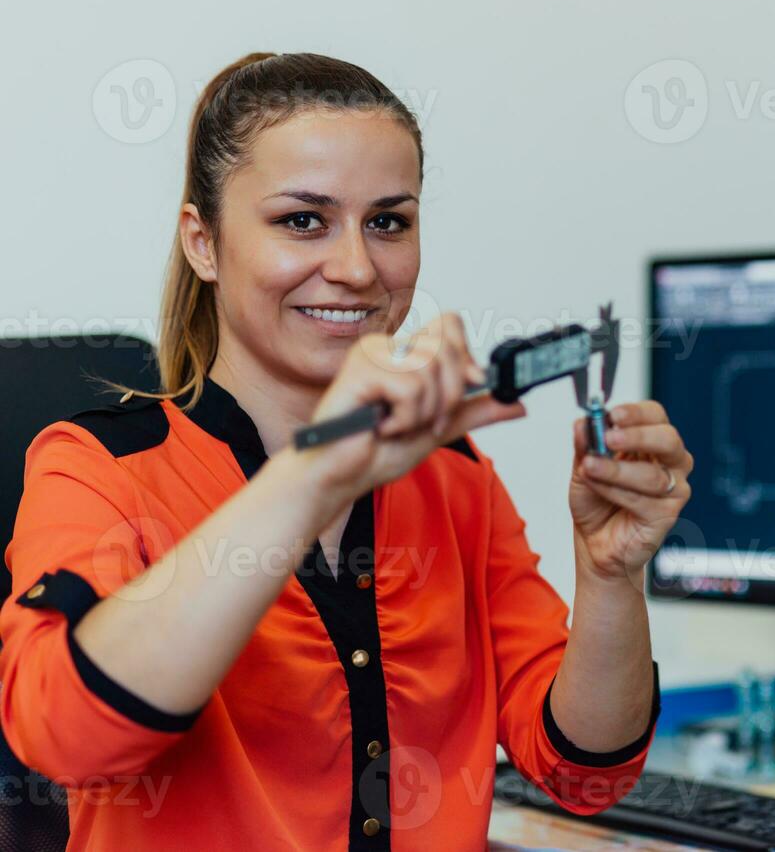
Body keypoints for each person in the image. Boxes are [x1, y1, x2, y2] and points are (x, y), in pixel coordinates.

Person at [0, 52, 694, 851]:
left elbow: (586, 773)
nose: (359, 269)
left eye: (388, 222)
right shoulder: (95, 467)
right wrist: (315, 472)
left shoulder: (454, 475)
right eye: (303, 221)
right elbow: (63, 739)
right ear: (203, 243)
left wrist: (611, 578)